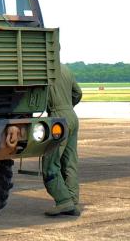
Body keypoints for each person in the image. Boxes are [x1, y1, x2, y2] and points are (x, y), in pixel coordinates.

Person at [43, 63, 82, 216]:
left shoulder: (44, 69)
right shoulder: (66, 69)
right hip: (71, 115)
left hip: (57, 117)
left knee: (50, 162)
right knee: (70, 160)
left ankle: (63, 201)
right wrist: (67, 106)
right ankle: (72, 200)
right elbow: (78, 93)